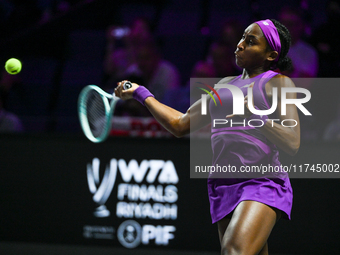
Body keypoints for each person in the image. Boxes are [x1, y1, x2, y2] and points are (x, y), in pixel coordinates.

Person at [115, 18, 299, 255]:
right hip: (223, 185)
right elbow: (180, 124)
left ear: (271, 55)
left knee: (234, 251)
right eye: (242, 37)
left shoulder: (278, 83)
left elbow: (292, 142)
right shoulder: (223, 86)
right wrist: (141, 93)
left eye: (251, 41)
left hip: (261, 181)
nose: (240, 44)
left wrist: (255, 116)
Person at [278, 6, 318, 78]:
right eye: (283, 24)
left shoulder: (309, 52)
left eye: (290, 24)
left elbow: (307, 81)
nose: (285, 28)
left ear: (300, 26)